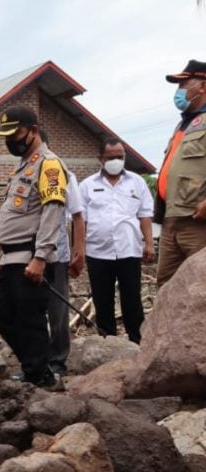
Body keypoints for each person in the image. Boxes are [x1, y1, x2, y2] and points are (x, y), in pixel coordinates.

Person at [0, 105, 68, 387]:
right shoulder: (24, 165)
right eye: (6, 135)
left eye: (16, 133)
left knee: (30, 319)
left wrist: (41, 256)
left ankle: (40, 377)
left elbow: (53, 210)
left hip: (30, 256)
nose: (11, 140)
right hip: (10, 257)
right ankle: (36, 367)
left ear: (33, 130)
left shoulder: (49, 164)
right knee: (1, 314)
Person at [80, 139, 154, 344]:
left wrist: (148, 244)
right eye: (111, 157)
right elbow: (79, 222)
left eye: (120, 157)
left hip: (129, 249)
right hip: (97, 252)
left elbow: (145, 215)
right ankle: (108, 342)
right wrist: (78, 251)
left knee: (132, 299)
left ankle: (137, 342)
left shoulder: (137, 183)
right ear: (101, 159)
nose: (116, 161)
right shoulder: (87, 186)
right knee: (102, 300)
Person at [155, 60, 206, 286]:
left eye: (183, 84)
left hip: (196, 221)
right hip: (171, 218)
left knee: (200, 287)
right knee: (166, 285)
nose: (178, 92)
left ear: (203, 86)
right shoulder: (182, 125)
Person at [42, 130, 85, 377]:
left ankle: (57, 361)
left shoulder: (64, 174)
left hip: (57, 254)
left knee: (57, 310)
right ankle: (36, 360)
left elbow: (77, 215)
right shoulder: (23, 174)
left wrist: (80, 250)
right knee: (30, 309)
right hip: (29, 253)